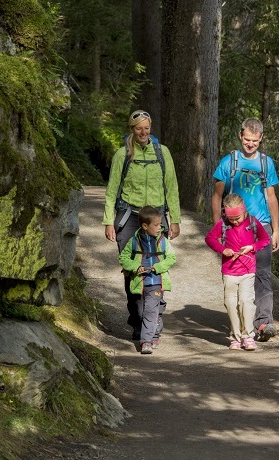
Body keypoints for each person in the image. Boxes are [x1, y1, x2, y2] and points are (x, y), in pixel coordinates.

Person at [104, 109, 181, 341]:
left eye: (147, 128)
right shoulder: (122, 155)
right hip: (129, 217)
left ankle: (155, 316)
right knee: (132, 271)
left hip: (156, 218)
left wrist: (174, 219)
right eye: (139, 128)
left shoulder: (162, 153)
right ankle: (138, 320)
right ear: (132, 129)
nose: (143, 132)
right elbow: (111, 190)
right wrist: (108, 221)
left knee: (157, 267)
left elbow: (172, 186)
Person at [211, 118, 279, 341]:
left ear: (261, 139)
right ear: (241, 136)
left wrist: (276, 230)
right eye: (247, 139)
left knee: (262, 274)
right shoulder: (228, 162)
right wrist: (217, 226)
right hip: (233, 228)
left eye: (255, 141)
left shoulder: (266, 163)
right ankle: (242, 322)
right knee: (237, 275)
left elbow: (271, 197)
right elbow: (217, 196)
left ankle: (264, 323)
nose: (250, 144)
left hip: (261, 226)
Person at [204, 193, 269, 351]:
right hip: (229, 271)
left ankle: (248, 335)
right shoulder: (223, 224)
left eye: (237, 218)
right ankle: (235, 336)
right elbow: (210, 238)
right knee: (231, 303)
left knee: (246, 302)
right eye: (231, 219)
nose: (234, 222)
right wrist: (222, 249)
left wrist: (252, 247)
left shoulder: (253, 223)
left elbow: (264, 239)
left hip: (248, 270)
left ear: (244, 211)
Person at [120, 206, 177, 354]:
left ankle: (147, 341)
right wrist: (135, 267)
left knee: (150, 311)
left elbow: (172, 257)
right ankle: (154, 332)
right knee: (140, 311)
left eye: (160, 224)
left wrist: (158, 267)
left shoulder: (163, 241)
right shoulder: (133, 241)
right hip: (139, 283)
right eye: (156, 225)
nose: (160, 228)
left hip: (156, 282)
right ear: (145, 226)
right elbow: (123, 258)